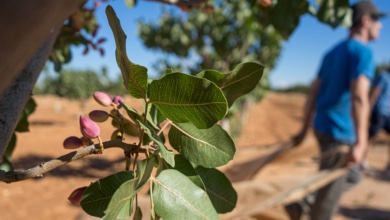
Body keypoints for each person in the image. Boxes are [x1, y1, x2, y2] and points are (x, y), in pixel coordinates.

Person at [285, 1, 386, 220]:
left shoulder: (331, 53)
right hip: (340, 133)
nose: (381, 26)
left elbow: (313, 92)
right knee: (328, 202)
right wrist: (361, 141)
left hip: (322, 126)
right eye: (377, 20)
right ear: (365, 21)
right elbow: (359, 96)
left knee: (351, 177)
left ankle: (303, 202)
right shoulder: (363, 53)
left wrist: (304, 129)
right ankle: (309, 208)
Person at [368, 66, 390, 173]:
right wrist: (369, 108)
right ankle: (361, 161)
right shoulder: (383, 75)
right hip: (378, 111)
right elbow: (376, 91)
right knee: (371, 136)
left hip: (387, 113)